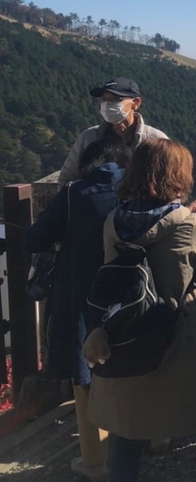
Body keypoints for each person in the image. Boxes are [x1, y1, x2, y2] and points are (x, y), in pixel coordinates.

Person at [82, 138, 196, 482]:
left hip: (127, 334)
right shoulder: (186, 225)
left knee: (128, 424)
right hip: (181, 338)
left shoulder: (114, 220)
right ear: (177, 175)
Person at [25, 138, 132, 481]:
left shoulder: (73, 194)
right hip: (130, 294)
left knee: (85, 378)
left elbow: (35, 239)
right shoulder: (137, 189)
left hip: (80, 297)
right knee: (136, 367)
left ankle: (95, 460)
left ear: (89, 162)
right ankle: (152, 439)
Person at [58, 77, 168, 186]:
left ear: (136, 103)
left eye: (116, 99)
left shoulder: (156, 140)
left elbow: (169, 181)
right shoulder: (88, 137)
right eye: (104, 100)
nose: (107, 105)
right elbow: (67, 177)